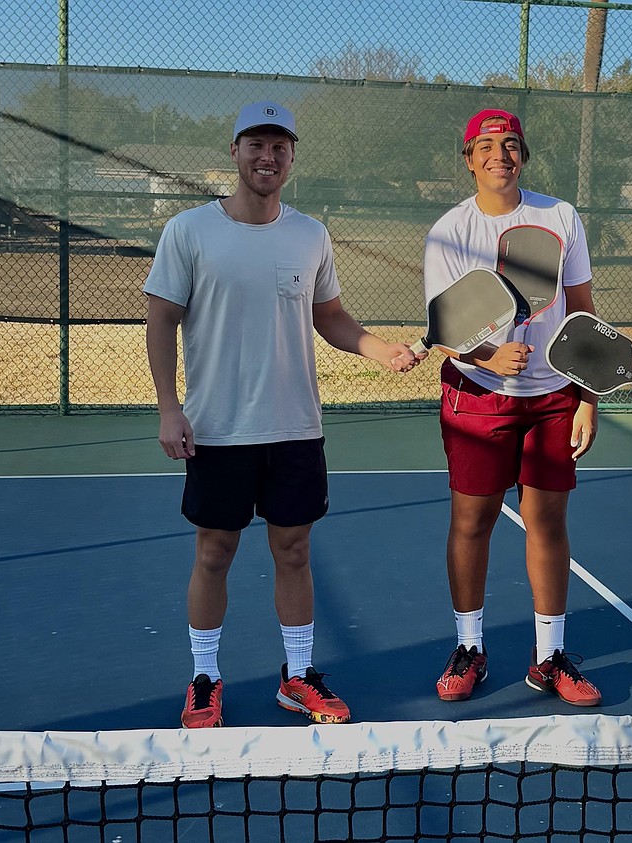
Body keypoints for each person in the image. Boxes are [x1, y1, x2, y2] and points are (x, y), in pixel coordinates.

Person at [144, 101, 420, 729]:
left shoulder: (311, 235)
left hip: (296, 427)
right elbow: (161, 318)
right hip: (215, 427)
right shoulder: (188, 231)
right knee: (214, 553)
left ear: (292, 158)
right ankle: (205, 678)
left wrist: (378, 349)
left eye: (280, 147)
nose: (267, 158)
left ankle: (297, 677)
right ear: (235, 152)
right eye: (255, 145)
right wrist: (169, 408)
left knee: (294, 551)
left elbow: (330, 316)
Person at [422, 108, 602, 707]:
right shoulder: (448, 229)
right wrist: (488, 356)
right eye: (487, 146)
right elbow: (443, 328)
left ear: (523, 155)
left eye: (511, 145)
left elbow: (581, 309)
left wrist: (586, 395)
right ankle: (468, 647)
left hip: (553, 397)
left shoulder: (560, 217)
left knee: (548, 523)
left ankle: (549, 658)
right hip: (477, 397)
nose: (500, 155)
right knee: (472, 523)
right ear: (468, 158)